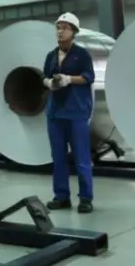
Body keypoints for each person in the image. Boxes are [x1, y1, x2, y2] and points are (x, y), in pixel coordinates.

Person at [42, 12, 95, 213]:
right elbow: (45, 76)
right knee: (58, 158)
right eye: (58, 27)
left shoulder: (81, 54)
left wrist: (69, 79)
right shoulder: (51, 55)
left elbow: (88, 77)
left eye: (65, 28)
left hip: (76, 112)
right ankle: (61, 196)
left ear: (73, 32)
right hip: (55, 113)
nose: (60, 31)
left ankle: (85, 198)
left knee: (81, 158)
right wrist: (50, 82)